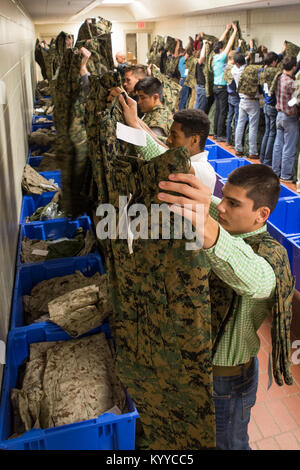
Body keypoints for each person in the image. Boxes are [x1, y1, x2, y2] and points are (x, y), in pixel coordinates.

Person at [157, 164, 294, 450]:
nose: (222, 208)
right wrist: (136, 128)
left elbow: (254, 279)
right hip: (203, 370)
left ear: (262, 214)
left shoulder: (271, 254)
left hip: (228, 385)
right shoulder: (231, 221)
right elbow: (211, 204)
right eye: (224, 197)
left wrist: (206, 228)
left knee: (229, 444)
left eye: (233, 203)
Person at [118, 91, 216, 193]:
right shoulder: (182, 154)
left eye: (174, 135)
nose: (169, 139)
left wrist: (133, 123)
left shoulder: (204, 171)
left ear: (194, 140)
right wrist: (134, 117)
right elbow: (154, 138)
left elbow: (162, 158)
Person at [272, 56, 300, 183]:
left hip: (279, 115)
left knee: (278, 145)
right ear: (294, 67)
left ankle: (275, 171)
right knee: (289, 148)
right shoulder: (292, 83)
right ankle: (285, 175)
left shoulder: (279, 78)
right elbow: (296, 100)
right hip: (290, 118)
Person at [212, 23, 238, 142]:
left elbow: (219, 43)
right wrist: (234, 31)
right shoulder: (222, 57)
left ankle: (216, 133)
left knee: (217, 111)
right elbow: (230, 44)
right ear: (221, 49)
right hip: (222, 87)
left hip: (215, 86)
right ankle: (220, 134)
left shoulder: (213, 57)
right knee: (222, 112)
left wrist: (226, 30)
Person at [234, 53, 261, 159]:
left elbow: (241, 62)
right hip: (252, 101)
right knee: (253, 127)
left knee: (240, 125)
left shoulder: (235, 70)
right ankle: (252, 152)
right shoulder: (249, 70)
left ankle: (238, 149)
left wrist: (247, 56)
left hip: (242, 100)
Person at [133, 77, 174, 142]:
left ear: (155, 97)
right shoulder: (159, 110)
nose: (139, 102)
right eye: (138, 97)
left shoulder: (157, 122)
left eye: (143, 98)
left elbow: (149, 146)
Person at [258, 52, 280, 165]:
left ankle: (262, 158)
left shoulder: (261, 71)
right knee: (272, 133)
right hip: (272, 106)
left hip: (266, 104)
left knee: (267, 133)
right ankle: (267, 161)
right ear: (273, 62)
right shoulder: (274, 72)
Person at [225, 50, 240, 146]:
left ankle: (228, 140)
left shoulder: (226, 67)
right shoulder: (234, 69)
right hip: (236, 96)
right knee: (237, 120)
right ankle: (235, 142)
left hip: (229, 95)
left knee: (229, 118)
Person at [194, 39, 209, 112]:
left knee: (198, 104)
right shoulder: (198, 63)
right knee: (200, 108)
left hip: (199, 86)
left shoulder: (197, 63)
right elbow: (202, 56)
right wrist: (204, 44)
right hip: (201, 87)